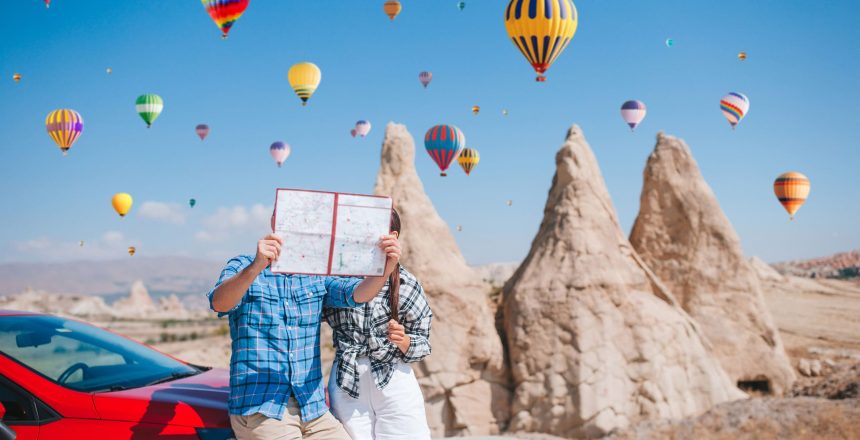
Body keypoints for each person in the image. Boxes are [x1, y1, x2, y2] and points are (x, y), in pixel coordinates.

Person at [207, 212, 402, 440]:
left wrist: (386, 269)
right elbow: (220, 303)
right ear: (275, 223)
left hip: (313, 408)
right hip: (262, 408)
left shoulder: (315, 274)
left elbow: (357, 294)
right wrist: (256, 267)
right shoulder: (242, 264)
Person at [324, 209, 433, 440]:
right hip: (347, 378)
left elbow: (424, 342)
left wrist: (403, 340)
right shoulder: (339, 280)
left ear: (392, 236)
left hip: (394, 376)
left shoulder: (406, 283)